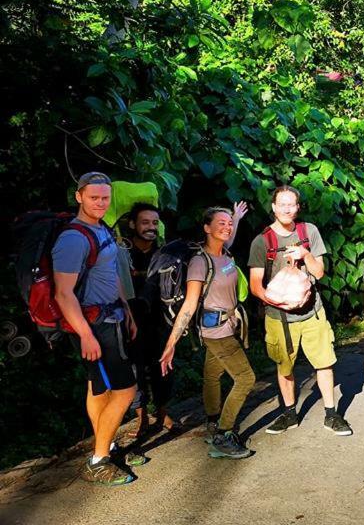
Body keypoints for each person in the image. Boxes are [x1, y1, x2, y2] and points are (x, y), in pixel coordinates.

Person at [52, 172, 139, 486]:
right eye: (94, 198)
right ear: (79, 197)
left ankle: (108, 444)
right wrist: (86, 335)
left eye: (105, 198)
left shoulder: (100, 228)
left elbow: (109, 272)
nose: (100, 203)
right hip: (94, 325)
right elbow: (63, 293)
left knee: (98, 388)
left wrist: (126, 309)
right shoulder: (73, 239)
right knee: (126, 389)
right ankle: (99, 460)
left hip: (111, 318)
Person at [249, 186, 352, 437]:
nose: (286, 209)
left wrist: (305, 254)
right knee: (285, 367)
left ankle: (331, 414)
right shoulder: (262, 241)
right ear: (273, 207)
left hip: (313, 312)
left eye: (291, 204)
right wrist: (277, 302)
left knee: (324, 363)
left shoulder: (309, 232)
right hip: (279, 318)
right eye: (281, 204)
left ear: (297, 207)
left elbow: (319, 272)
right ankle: (289, 414)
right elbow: (254, 284)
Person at [159, 208, 254, 459]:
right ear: (206, 228)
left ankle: (213, 423)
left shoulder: (225, 253)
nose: (227, 227)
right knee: (246, 378)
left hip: (229, 326)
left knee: (212, 374)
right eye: (220, 223)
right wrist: (171, 344)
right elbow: (190, 305)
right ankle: (223, 434)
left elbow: (227, 238)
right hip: (216, 332)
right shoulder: (201, 263)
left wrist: (237, 218)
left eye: (229, 224)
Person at [124, 202, 172, 436]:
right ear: (133, 224)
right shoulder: (122, 252)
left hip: (160, 320)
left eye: (154, 223)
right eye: (145, 222)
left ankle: (162, 414)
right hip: (130, 321)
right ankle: (141, 418)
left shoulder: (164, 253)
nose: (151, 227)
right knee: (135, 370)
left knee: (163, 367)